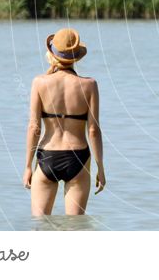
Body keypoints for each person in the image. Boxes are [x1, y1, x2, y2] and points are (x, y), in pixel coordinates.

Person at [23, 28, 105, 216]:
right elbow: (93, 130)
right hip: (78, 158)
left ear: (52, 53)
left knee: (40, 227)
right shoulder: (89, 85)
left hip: (47, 157)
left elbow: (34, 127)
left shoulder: (39, 82)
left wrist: (28, 166)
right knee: (75, 230)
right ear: (75, 57)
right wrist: (100, 166)